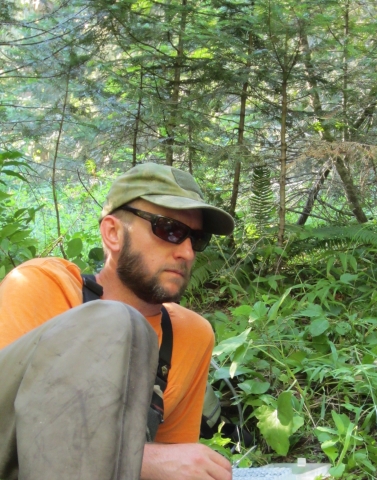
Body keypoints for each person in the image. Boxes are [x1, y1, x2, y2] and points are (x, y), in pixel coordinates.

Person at [0, 163, 235, 480]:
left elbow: (175, 463)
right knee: (119, 321)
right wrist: (143, 460)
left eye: (196, 238)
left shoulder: (191, 335)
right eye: (170, 230)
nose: (188, 252)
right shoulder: (42, 286)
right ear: (112, 232)